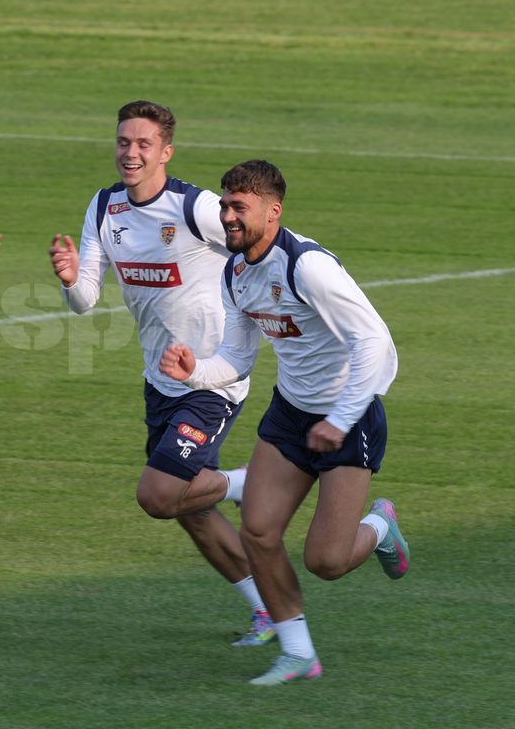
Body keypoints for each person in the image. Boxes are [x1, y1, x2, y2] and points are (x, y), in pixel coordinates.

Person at [160, 159, 409, 685]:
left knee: (327, 562)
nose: (227, 216)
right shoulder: (235, 272)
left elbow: (375, 342)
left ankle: (380, 526)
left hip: (350, 418)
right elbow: (237, 358)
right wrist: (195, 371)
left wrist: (340, 419)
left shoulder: (307, 267)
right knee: (258, 531)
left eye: (239, 207)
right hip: (291, 415)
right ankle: (299, 655)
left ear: (273, 212)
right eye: (225, 205)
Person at [48, 101, 274, 646]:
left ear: (165, 152)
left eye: (143, 144)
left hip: (212, 379)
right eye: (124, 142)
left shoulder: (196, 207)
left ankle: (248, 483)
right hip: (160, 380)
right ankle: (269, 611)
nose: (131, 152)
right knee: (189, 509)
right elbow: (84, 300)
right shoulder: (104, 207)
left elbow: (259, 242)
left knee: (158, 494)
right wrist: (70, 277)